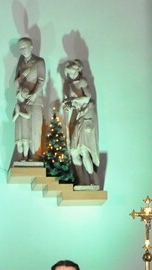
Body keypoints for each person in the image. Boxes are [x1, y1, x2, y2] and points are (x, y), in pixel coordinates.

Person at [61, 59, 99, 188]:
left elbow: (87, 98)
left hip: (86, 116)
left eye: (72, 73)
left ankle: (92, 180)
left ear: (78, 70)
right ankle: (82, 181)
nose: (71, 75)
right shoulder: (69, 84)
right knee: (74, 151)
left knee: (84, 149)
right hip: (77, 117)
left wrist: (72, 100)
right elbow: (74, 103)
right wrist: (68, 105)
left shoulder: (82, 81)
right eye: (69, 73)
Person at [12, 37, 46, 162]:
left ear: (31, 47)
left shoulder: (39, 62)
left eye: (24, 47)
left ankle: (35, 156)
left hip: (35, 101)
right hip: (22, 101)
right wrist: (23, 75)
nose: (22, 50)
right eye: (20, 48)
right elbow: (16, 83)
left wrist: (35, 94)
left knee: (35, 128)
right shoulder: (21, 64)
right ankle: (24, 157)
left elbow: (41, 80)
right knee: (23, 131)